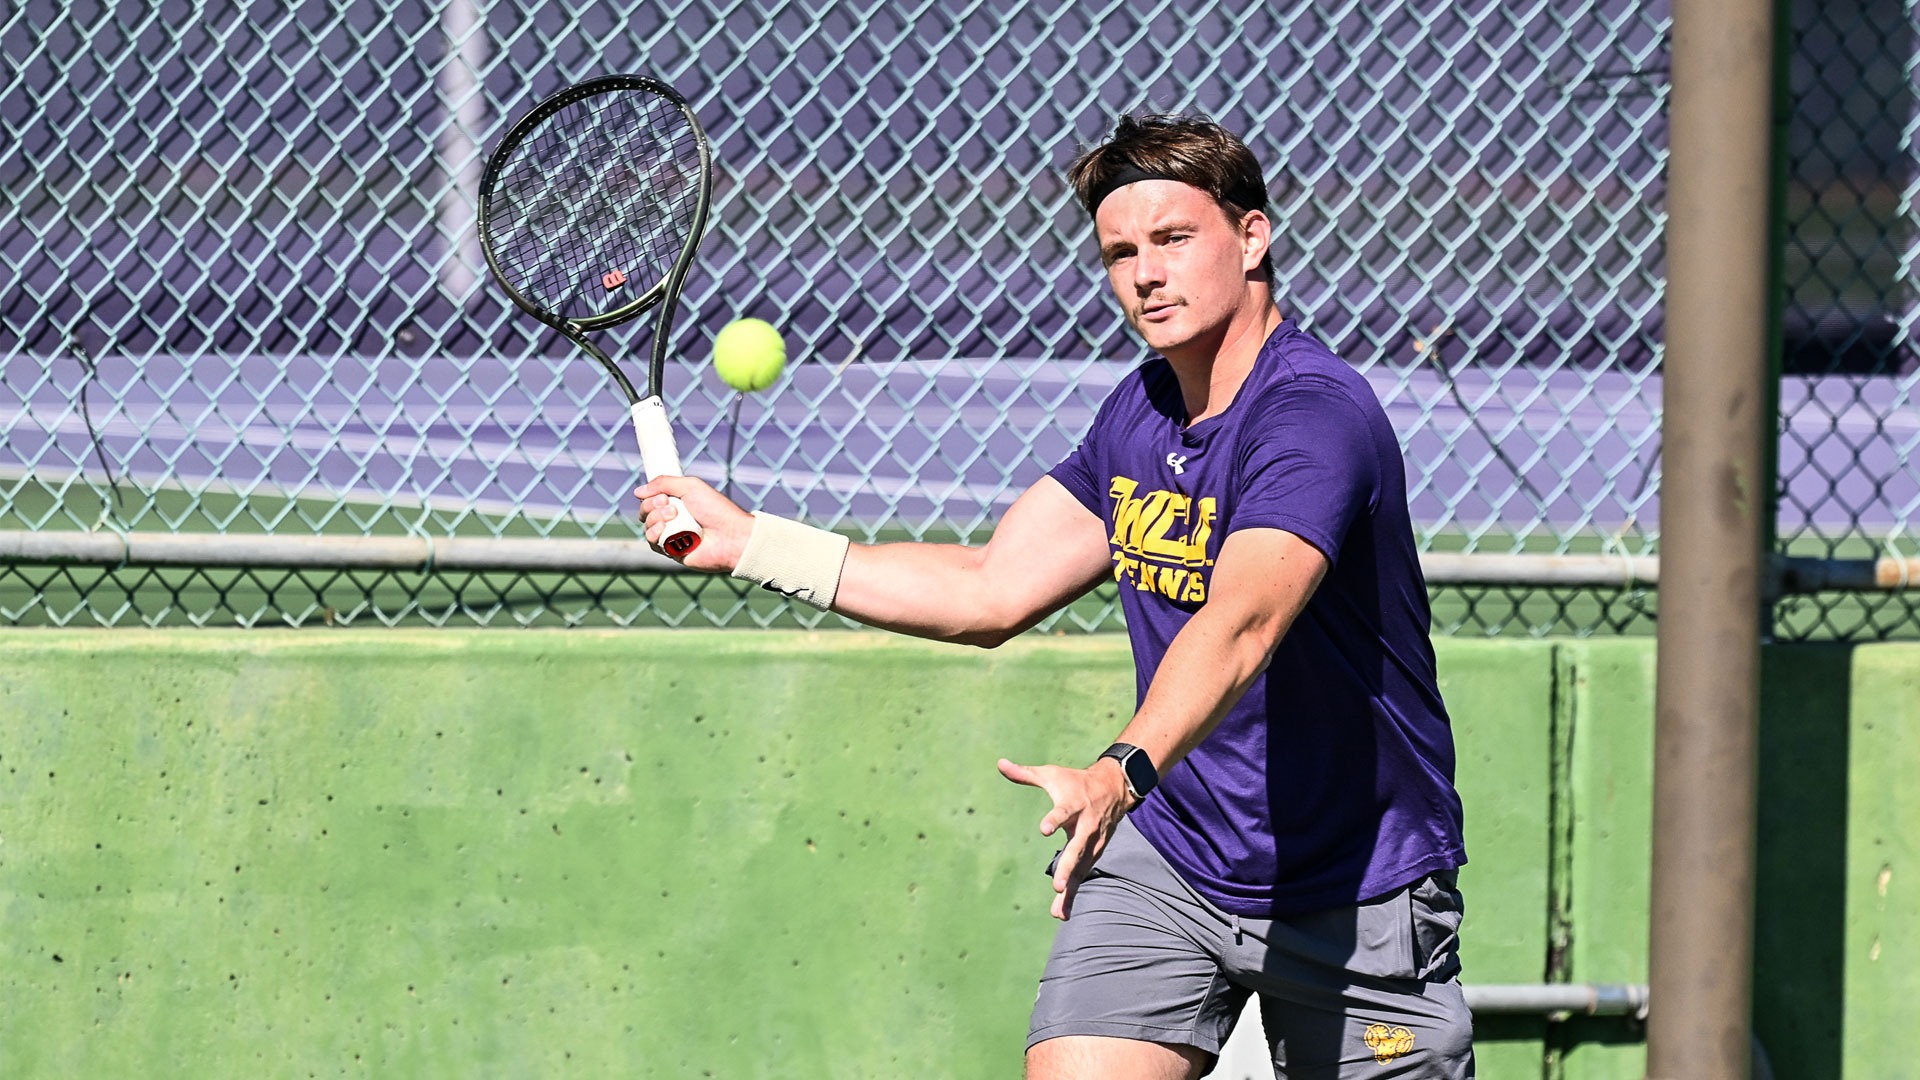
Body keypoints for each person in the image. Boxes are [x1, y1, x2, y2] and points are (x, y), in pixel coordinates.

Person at [636, 113, 1473, 1080]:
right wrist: (753, 542)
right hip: (1176, 861)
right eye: (1120, 253)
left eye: (1172, 239)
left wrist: (1120, 770)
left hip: (1355, 886)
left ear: (1251, 238)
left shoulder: (1312, 418)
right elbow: (993, 588)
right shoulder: (1142, 409)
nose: (1145, 274)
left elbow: (1241, 626)